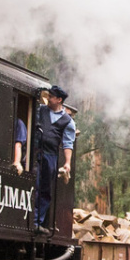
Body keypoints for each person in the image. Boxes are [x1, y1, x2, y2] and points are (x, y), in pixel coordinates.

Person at [32, 86, 76, 228]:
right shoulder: (40, 110)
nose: (48, 99)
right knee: (34, 183)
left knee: (45, 189)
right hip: (35, 151)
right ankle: (29, 217)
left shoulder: (68, 121)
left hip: (50, 156)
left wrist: (67, 163)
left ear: (59, 100)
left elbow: (68, 143)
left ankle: (37, 221)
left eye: (51, 97)